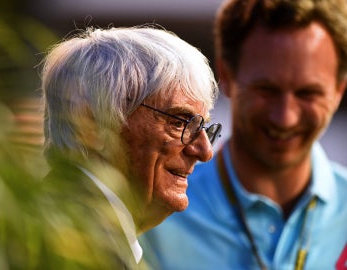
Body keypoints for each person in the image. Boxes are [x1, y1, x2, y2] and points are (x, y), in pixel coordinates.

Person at [140, 0, 347, 269]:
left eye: (308, 93)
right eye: (266, 89)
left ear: (339, 91)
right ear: (225, 76)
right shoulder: (153, 213)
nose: (285, 117)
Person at [40, 25, 221, 269]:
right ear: (90, 123)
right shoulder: (68, 241)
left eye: (204, 127)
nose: (204, 151)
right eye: (179, 122)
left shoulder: (78, 229)